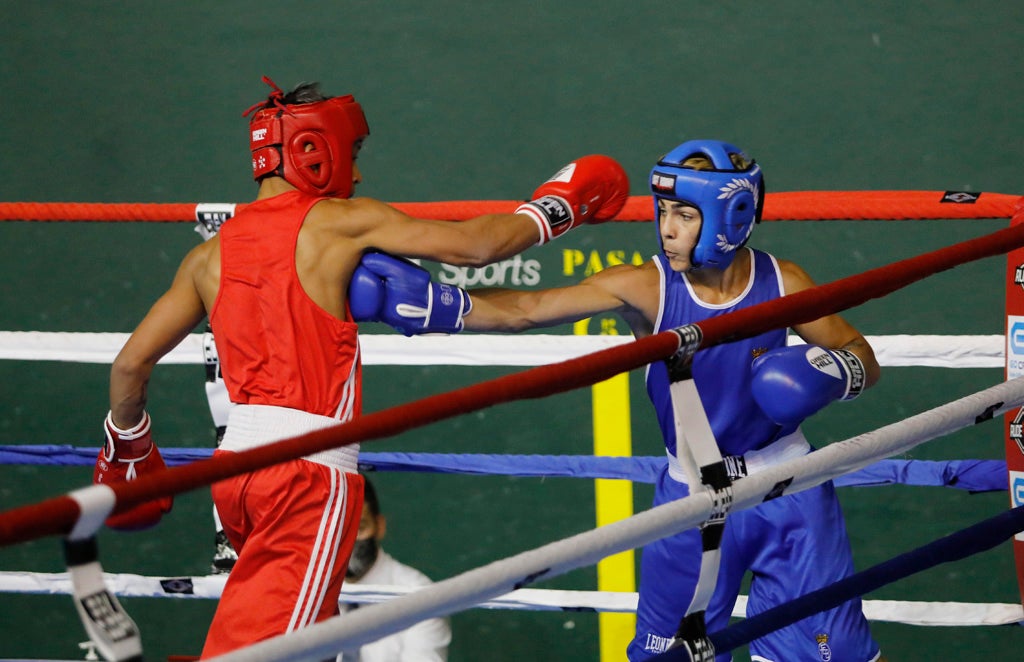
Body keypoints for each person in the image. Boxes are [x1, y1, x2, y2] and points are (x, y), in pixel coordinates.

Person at [92, 75, 629, 657]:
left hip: (235, 478)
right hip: (305, 480)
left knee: (294, 644)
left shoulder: (208, 254)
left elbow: (129, 367)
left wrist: (131, 445)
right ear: (313, 152)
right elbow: (478, 247)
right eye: (353, 155)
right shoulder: (338, 222)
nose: (360, 173)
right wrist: (559, 204)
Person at [361, 139, 884, 661]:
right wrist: (436, 303)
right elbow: (526, 307)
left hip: (787, 485)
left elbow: (860, 352)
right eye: (663, 211)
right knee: (668, 658)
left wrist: (833, 373)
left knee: (828, 654)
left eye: (684, 213)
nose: (668, 227)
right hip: (693, 493)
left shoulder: (782, 283)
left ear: (732, 215)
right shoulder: (646, 287)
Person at [338, 476, 451, 662]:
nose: (348, 542)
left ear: (379, 526)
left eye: (360, 527)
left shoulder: (419, 595)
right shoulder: (305, 593)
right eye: (338, 531)